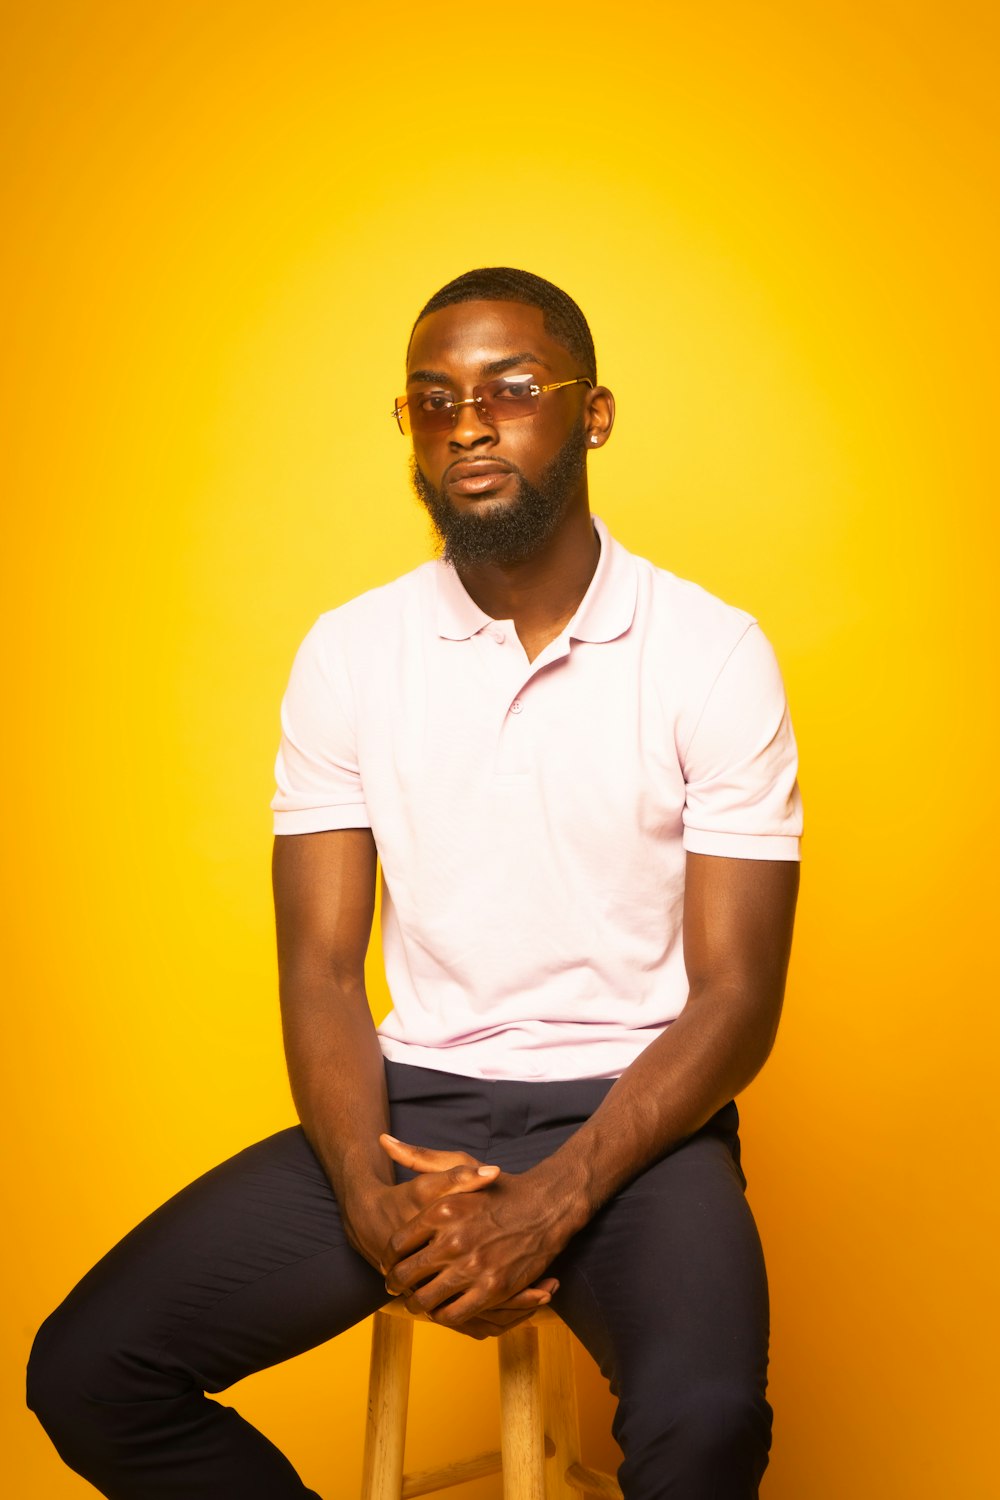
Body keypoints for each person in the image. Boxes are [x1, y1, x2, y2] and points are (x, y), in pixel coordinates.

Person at [27, 266, 802, 1499]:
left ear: (592, 414)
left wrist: (552, 1202)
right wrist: (363, 1192)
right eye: (432, 401)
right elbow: (323, 968)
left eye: (511, 389)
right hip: (412, 1111)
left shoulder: (711, 655)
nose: (469, 423)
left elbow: (737, 999)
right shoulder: (350, 653)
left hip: (635, 1124)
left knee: (705, 1427)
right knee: (88, 1370)